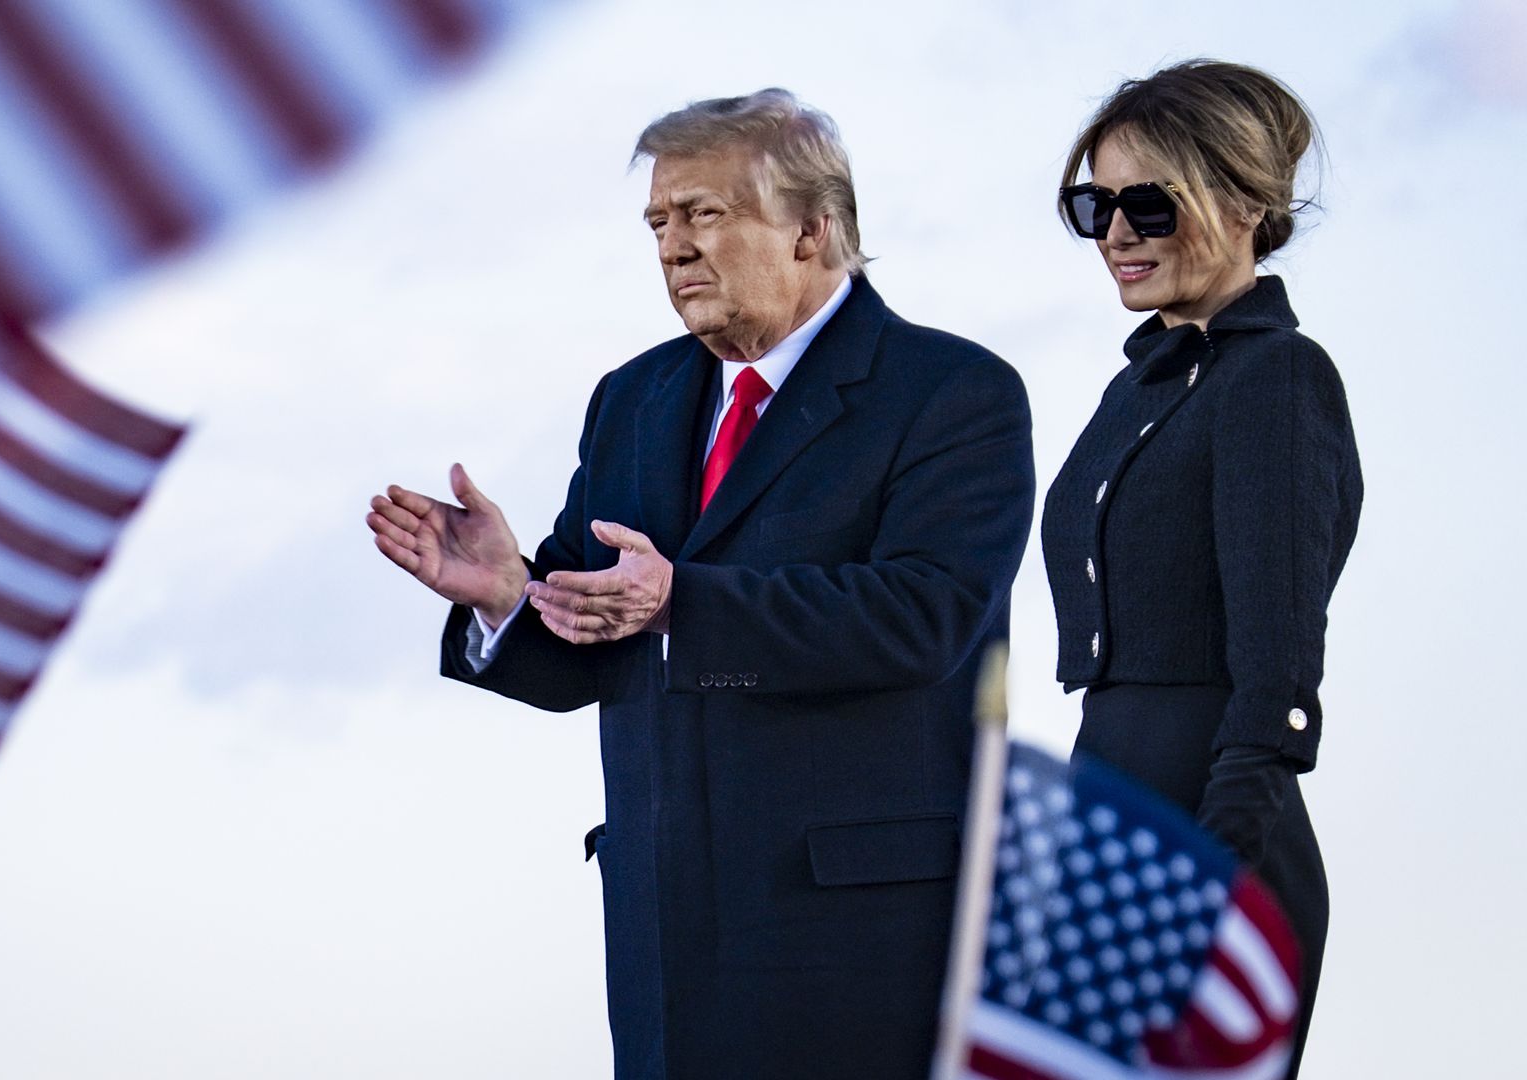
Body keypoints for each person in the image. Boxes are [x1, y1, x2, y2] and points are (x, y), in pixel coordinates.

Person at [366, 89, 1034, 1079]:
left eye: (705, 215)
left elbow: (920, 619)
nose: (672, 247)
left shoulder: (952, 393)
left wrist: (686, 602)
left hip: (864, 947)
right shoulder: (633, 398)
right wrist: (506, 594)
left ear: (810, 231)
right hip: (665, 945)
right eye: (658, 223)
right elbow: (594, 645)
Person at [1041, 60, 1363, 1077]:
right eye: (1094, 205)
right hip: (1109, 827)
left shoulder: (1276, 379)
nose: (1116, 235)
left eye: (1148, 204)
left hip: (1207, 840)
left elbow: (1275, 679)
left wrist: (1204, 877)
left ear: (1244, 205)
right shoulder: (1139, 387)